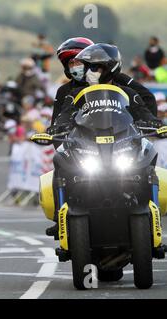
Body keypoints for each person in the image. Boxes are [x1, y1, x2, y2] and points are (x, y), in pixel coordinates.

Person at [46, 43, 163, 237]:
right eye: (85, 67)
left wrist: (156, 124)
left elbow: (144, 110)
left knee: (149, 154)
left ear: (108, 69)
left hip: (121, 143)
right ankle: (62, 220)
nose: (87, 72)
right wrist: (56, 130)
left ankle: (153, 216)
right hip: (87, 145)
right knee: (59, 160)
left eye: (94, 68)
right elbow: (63, 116)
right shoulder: (73, 94)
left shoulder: (128, 91)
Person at [52, 37, 157, 126]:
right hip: (83, 144)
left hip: (122, 139)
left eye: (79, 61)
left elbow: (147, 98)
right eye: (71, 63)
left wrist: (144, 127)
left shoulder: (119, 81)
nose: (75, 66)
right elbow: (57, 125)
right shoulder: (67, 92)